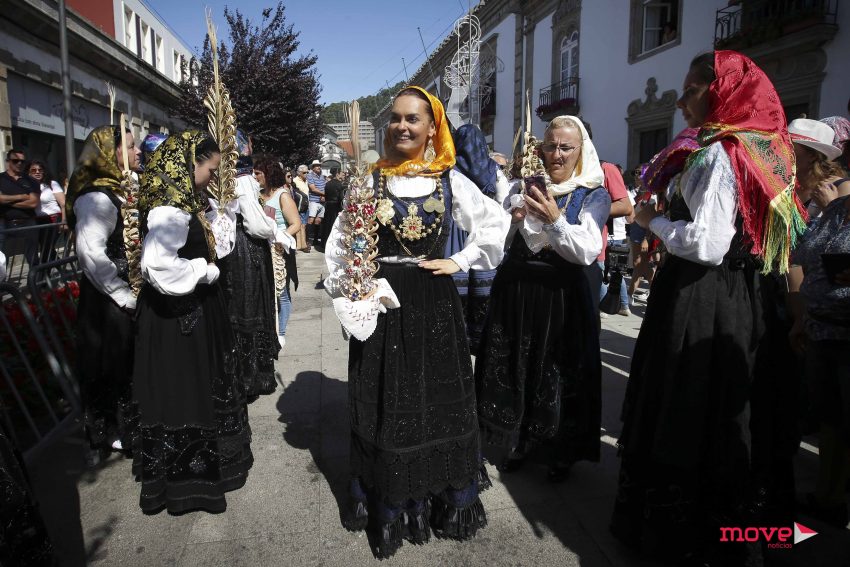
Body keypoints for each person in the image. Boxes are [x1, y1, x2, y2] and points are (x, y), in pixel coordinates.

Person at [610, 51, 806, 564]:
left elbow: (707, 243)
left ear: (720, 91)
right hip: (741, 294)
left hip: (703, 294)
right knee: (727, 405)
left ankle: (691, 534)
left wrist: (650, 221)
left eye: (691, 90)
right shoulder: (763, 148)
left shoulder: (722, 153)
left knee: (691, 402)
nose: (681, 101)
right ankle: (738, 529)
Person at [323, 86, 509, 558]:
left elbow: (495, 224)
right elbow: (339, 245)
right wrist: (354, 288)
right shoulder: (369, 181)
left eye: (413, 119)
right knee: (387, 394)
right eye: (396, 118)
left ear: (432, 128)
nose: (402, 126)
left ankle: (442, 495)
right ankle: (389, 499)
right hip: (384, 302)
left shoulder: (451, 181)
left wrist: (460, 260)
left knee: (434, 393)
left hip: (434, 300)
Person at [475, 115, 610, 482]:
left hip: (561, 296)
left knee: (557, 371)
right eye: (550, 146)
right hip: (517, 290)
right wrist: (513, 218)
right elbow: (497, 240)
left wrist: (554, 219)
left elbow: (586, 250)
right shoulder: (521, 186)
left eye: (566, 147)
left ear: (581, 150)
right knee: (518, 365)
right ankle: (518, 439)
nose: (557, 154)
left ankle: (559, 450)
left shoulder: (593, 193)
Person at [134, 130, 253, 514]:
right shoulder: (169, 210)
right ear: (190, 163)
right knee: (184, 392)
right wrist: (204, 271)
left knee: (202, 387)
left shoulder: (185, 201)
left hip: (193, 312)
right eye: (210, 169)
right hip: (180, 319)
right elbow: (158, 266)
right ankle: (188, 483)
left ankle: (211, 466)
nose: (212, 177)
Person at [65, 125, 141, 457]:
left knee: (127, 362)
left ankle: (130, 425)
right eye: (130, 146)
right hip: (108, 299)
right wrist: (123, 295)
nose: (137, 151)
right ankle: (114, 430)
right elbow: (90, 254)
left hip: (124, 293)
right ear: (112, 153)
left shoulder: (119, 190)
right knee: (111, 362)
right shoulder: (96, 198)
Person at [208, 136, 283, 400]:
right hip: (246, 249)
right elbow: (256, 224)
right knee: (250, 308)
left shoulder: (222, 179)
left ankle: (246, 374)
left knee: (239, 308)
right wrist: (274, 229)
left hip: (233, 248)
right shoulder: (242, 180)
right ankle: (251, 377)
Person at [451, 123, 511, 354]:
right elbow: (504, 202)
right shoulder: (493, 169)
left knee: (458, 281)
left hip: (457, 230)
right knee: (481, 283)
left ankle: (459, 336)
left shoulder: (451, 168)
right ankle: (479, 336)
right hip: (486, 228)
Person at [254, 155, 300, 347]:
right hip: (261, 251)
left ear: (268, 174)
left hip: (279, 252)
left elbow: (296, 223)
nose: (255, 176)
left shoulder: (282, 195)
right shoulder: (257, 195)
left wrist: (280, 239)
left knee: (282, 294)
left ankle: (280, 333)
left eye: (258, 173)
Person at [788, 118, 849, 218]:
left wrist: (829, 207)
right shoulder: (786, 186)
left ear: (813, 156)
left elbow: (844, 226)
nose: (781, 151)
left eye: (790, 147)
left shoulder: (842, 187)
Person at [0, 149, 40, 264]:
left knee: (32, 257)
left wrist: (6, 201)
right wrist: (22, 196)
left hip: (28, 221)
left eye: (22, 161)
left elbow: (33, 202)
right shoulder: (1, 178)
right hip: (4, 222)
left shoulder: (31, 180)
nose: (19, 163)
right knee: (1, 258)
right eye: (15, 161)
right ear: (8, 161)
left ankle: (35, 276)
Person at [29, 160, 65, 263]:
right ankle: (62, 267)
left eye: (40, 170)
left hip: (53, 219)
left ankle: (43, 272)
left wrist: (64, 221)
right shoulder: (27, 186)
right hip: (37, 221)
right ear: (28, 172)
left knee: (46, 248)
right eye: (34, 170)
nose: (37, 172)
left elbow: (63, 203)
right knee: (47, 249)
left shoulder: (52, 184)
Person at [319, 167, 344, 251]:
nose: (343, 175)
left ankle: (324, 244)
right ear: (337, 174)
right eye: (341, 173)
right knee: (334, 225)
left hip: (328, 206)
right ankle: (333, 245)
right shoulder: (340, 184)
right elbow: (341, 198)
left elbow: (326, 196)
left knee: (327, 225)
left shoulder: (328, 184)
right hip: (336, 207)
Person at [306, 160, 326, 248]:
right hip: (313, 201)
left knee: (318, 221)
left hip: (321, 201)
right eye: (317, 166)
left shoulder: (322, 176)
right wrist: (323, 194)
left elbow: (324, 186)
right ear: (313, 167)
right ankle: (307, 240)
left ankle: (315, 240)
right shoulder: (310, 175)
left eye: (319, 165)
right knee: (311, 220)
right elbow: (313, 189)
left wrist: (323, 196)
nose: (319, 167)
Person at [293, 164, 311, 251]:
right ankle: (302, 245)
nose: (306, 174)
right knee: (301, 226)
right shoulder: (295, 181)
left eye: (307, 172)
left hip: (306, 206)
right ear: (299, 173)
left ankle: (301, 244)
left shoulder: (306, 181)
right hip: (299, 207)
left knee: (304, 225)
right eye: (304, 172)